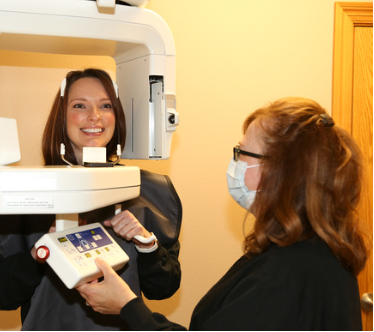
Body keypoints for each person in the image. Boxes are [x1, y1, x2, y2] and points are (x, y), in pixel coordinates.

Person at [77, 97, 370, 330]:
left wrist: (128, 306)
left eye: (242, 153)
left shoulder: (286, 272)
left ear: (279, 171)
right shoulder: (316, 250)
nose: (235, 163)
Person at [0, 68, 183, 330]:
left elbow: (163, 289)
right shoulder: (24, 193)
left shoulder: (151, 194)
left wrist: (146, 245)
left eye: (106, 105)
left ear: (116, 115)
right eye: (80, 105)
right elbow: (3, 295)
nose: (94, 116)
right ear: (61, 117)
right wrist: (40, 252)